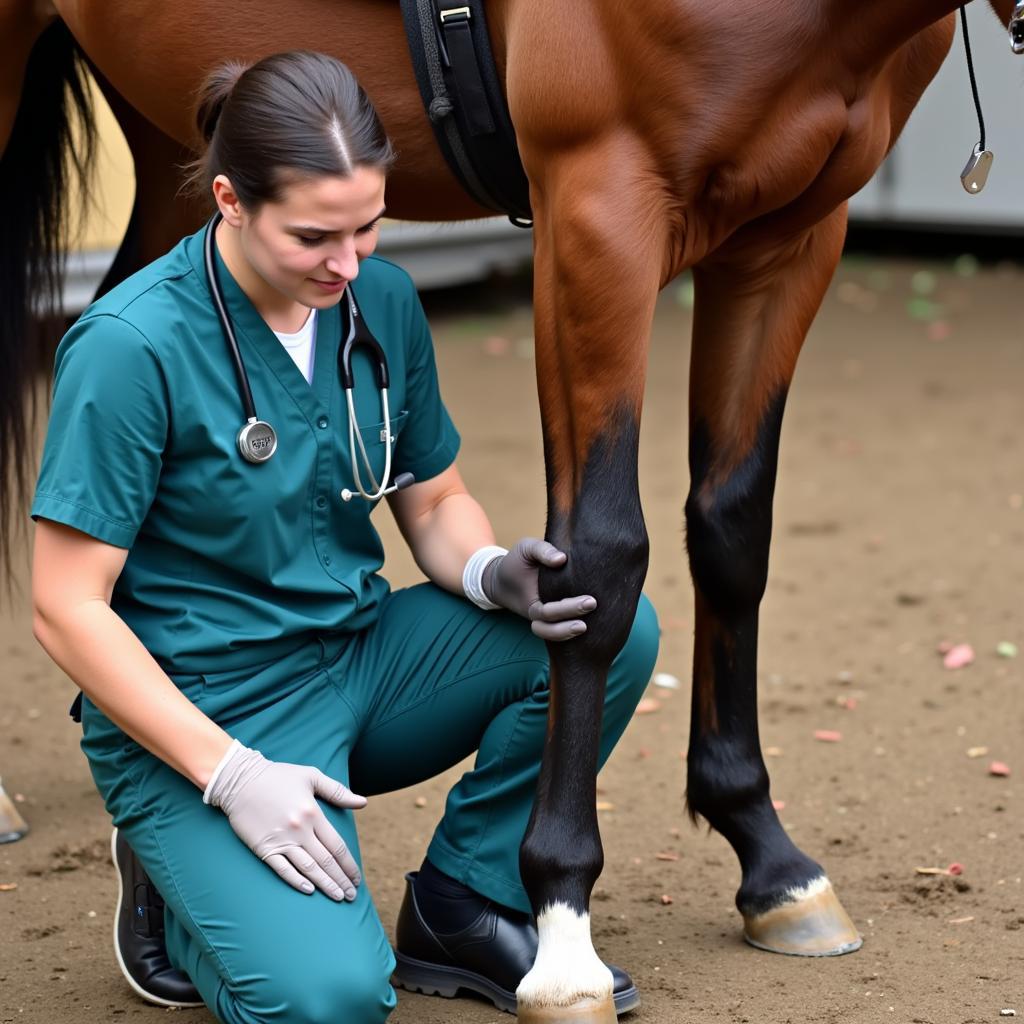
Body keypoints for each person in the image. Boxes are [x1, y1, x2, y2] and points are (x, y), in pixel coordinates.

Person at [30, 51, 659, 1024]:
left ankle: (464, 897)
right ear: (231, 201)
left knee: (605, 625)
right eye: (315, 235)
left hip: (362, 662)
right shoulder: (131, 344)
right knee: (326, 999)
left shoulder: (379, 304)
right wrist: (230, 774)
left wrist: (493, 574)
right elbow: (65, 607)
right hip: (209, 706)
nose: (348, 261)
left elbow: (434, 501)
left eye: (369, 225)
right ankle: (172, 856)